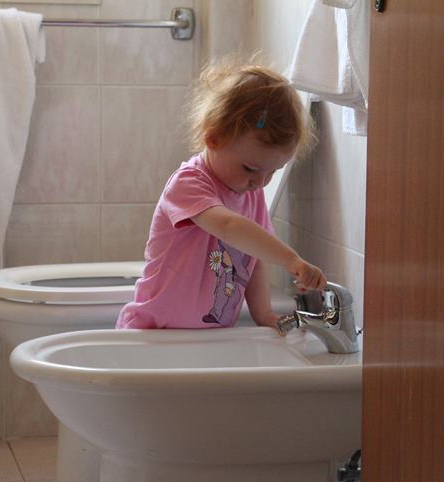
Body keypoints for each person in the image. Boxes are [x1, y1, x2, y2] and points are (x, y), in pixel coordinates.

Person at [116, 57, 327, 331]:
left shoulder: (252, 194)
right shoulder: (189, 184)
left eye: (272, 172)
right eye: (250, 169)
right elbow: (228, 227)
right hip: (153, 331)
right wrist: (291, 260)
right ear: (213, 138)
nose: (261, 182)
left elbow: (253, 260)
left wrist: (263, 314)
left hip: (208, 336)